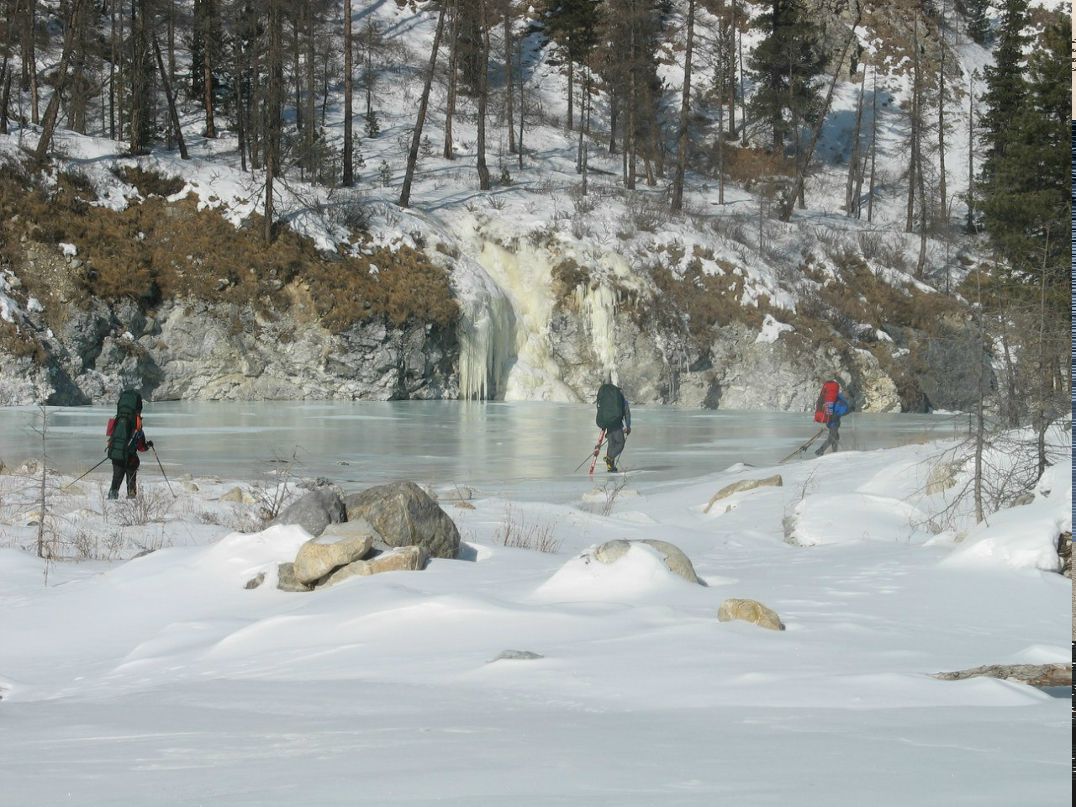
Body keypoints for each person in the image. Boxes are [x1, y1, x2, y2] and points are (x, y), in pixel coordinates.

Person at [106, 389, 153, 499]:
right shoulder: (137, 425)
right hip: (130, 457)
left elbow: (110, 434)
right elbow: (141, 447)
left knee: (116, 477)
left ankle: (112, 498)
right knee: (131, 478)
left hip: (116, 454)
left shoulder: (117, 419)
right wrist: (148, 445)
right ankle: (131, 499)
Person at [595, 378, 631, 472]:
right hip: (617, 424)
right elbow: (627, 412)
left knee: (611, 444)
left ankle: (610, 466)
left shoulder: (607, 399)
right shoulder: (620, 398)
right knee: (620, 443)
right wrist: (628, 425)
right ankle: (610, 458)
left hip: (608, 424)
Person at [813, 378, 850, 456]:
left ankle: (834, 452)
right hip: (834, 421)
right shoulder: (839, 400)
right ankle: (820, 451)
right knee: (833, 437)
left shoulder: (830, 398)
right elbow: (843, 411)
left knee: (836, 437)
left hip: (829, 420)